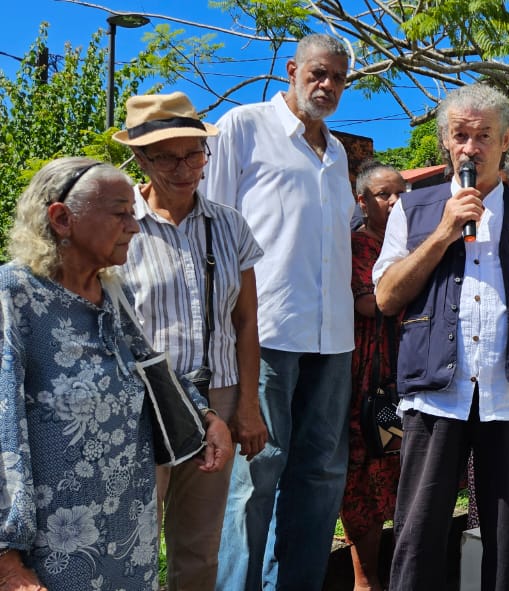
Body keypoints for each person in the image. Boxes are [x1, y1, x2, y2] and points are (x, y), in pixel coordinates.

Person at [373, 83, 509, 591]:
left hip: (508, 394)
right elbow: (386, 297)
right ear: (445, 141)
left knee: (507, 533)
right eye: (461, 135)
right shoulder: (414, 209)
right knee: (418, 528)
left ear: (506, 141)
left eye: (483, 135)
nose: (471, 147)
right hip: (437, 392)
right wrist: (443, 233)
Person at [0, 157, 231, 590]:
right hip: (56, 550)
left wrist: (206, 417)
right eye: (120, 213)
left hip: (130, 534)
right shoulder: (14, 297)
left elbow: (151, 370)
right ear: (62, 218)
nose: (135, 226)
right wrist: (7, 564)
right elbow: (1, 428)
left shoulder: (111, 291)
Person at [201, 33, 357, 591]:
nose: (328, 86)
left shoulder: (337, 152)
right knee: (257, 477)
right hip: (264, 334)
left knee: (319, 477)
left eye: (338, 78)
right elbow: (212, 227)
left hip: (334, 338)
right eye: (318, 73)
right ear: (292, 70)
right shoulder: (244, 126)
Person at [110, 91, 269, 591]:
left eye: (194, 154)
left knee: (199, 548)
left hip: (216, 402)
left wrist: (247, 404)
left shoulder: (229, 224)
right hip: (142, 404)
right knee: (130, 541)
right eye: (166, 156)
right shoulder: (118, 224)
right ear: (140, 157)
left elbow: (246, 321)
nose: (183, 168)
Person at [342, 161, 406, 591]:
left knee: (408, 472)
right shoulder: (354, 246)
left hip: (411, 373)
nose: (395, 201)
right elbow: (371, 304)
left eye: (401, 193)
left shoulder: (413, 242)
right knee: (366, 475)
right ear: (362, 201)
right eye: (385, 194)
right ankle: (366, 581)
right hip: (369, 379)